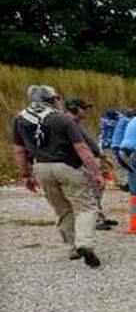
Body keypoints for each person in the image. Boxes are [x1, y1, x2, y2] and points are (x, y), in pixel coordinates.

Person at [9, 85, 105, 267]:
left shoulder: (19, 119)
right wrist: (96, 172)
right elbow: (82, 148)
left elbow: (19, 151)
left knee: (62, 209)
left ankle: (72, 247)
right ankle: (84, 243)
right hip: (68, 166)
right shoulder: (62, 119)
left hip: (41, 168)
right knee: (85, 207)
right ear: (53, 99)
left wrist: (25, 174)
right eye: (58, 98)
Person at [63, 97, 117, 230]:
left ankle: (98, 216)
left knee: (96, 190)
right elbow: (81, 146)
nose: (86, 111)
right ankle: (96, 219)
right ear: (74, 108)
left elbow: (87, 142)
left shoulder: (74, 123)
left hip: (86, 160)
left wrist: (99, 155)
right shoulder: (69, 123)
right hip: (80, 163)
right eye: (84, 108)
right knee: (91, 190)